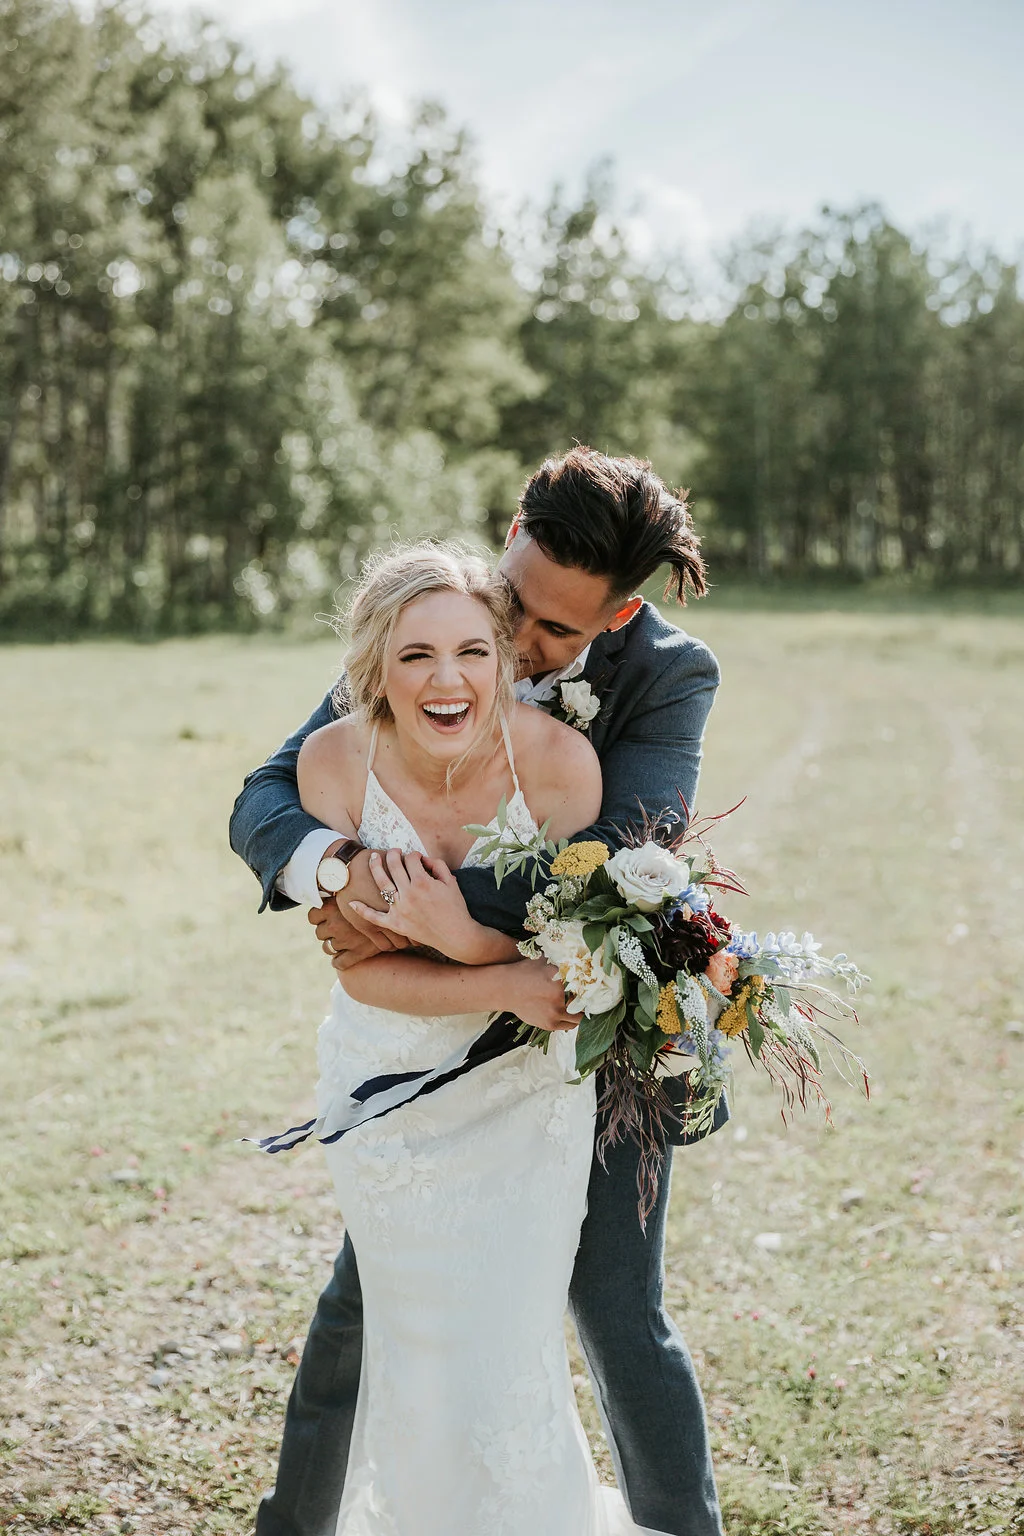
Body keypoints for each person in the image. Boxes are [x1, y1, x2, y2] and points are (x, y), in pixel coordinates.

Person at [231, 447, 727, 1536]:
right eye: (517, 599)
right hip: (431, 1045)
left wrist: (442, 922)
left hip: (596, 1026)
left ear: (620, 612)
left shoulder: (671, 675)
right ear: (510, 536)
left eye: (556, 630)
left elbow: (614, 866)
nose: (520, 640)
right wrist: (343, 872)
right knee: (369, 1297)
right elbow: (273, 789)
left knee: (614, 1305)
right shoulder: (439, 622)